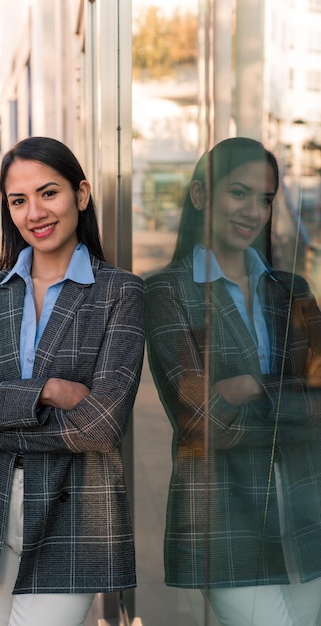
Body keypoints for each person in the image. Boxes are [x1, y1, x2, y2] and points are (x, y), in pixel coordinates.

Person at [0, 136, 145, 626]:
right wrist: (47, 391)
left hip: (72, 514)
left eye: (49, 193)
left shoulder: (120, 293)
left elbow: (100, 425)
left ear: (81, 195)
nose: (34, 213)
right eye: (18, 200)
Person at [145, 137, 321, 625]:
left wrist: (253, 388)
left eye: (265, 199)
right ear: (200, 196)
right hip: (224, 521)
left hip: (309, 516)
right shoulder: (166, 293)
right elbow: (203, 422)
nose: (254, 211)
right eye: (238, 193)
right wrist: (292, 396)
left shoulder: (293, 290)